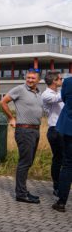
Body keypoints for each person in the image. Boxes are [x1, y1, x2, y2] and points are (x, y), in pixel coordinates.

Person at [0, 68, 43, 204]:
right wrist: (11, 119)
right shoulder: (20, 89)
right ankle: (21, 194)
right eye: (28, 77)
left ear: (38, 80)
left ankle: (22, 190)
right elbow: (3, 102)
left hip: (35, 130)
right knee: (24, 162)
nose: (30, 80)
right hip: (24, 131)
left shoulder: (38, 92)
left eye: (33, 78)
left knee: (28, 161)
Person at [41, 71, 64, 197]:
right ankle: (57, 186)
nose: (62, 80)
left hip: (63, 129)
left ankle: (63, 185)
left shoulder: (58, 92)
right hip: (55, 130)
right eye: (60, 78)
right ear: (54, 81)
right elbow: (60, 98)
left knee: (64, 159)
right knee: (58, 159)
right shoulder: (46, 94)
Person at [52, 76, 72, 212]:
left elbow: (64, 99)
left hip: (69, 127)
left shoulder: (68, 82)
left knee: (68, 164)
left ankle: (61, 202)